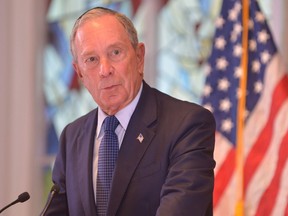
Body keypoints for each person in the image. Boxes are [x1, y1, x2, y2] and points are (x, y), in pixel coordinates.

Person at [45, 6, 216, 216]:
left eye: (115, 53)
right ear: (79, 72)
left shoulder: (187, 125)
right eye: (91, 59)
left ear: (139, 57)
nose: (104, 70)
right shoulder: (71, 137)